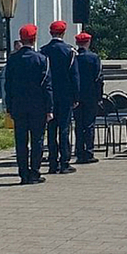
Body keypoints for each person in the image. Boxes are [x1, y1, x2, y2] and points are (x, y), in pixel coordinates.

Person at [4, 24, 52, 184]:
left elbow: (8, 85)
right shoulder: (41, 59)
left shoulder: (13, 60)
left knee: (21, 141)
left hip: (18, 106)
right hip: (38, 107)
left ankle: (23, 173)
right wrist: (49, 108)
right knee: (37, 140)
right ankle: (35, 172)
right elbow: (46, 86)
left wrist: (9, 107)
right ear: (34, 39)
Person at [41, 20, 78, 175]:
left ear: (51, 33)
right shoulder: (69, 51)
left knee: (51, 129)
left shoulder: (43, 51)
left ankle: (52, 162)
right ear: (63, 33)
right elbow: (74, 76)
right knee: (64, 129)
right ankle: (64, 162)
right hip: (65, 96)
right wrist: (75, 96)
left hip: (48, 96)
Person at [73, 32, 103, 164]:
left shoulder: (73, 57)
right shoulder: (93, 57)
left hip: (77, 95)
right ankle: (89, 152)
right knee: (89, 124)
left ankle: (79, 152)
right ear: (88, 42)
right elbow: (98, 78)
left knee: (78, 125)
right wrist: (99, 96)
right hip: (91, 95)